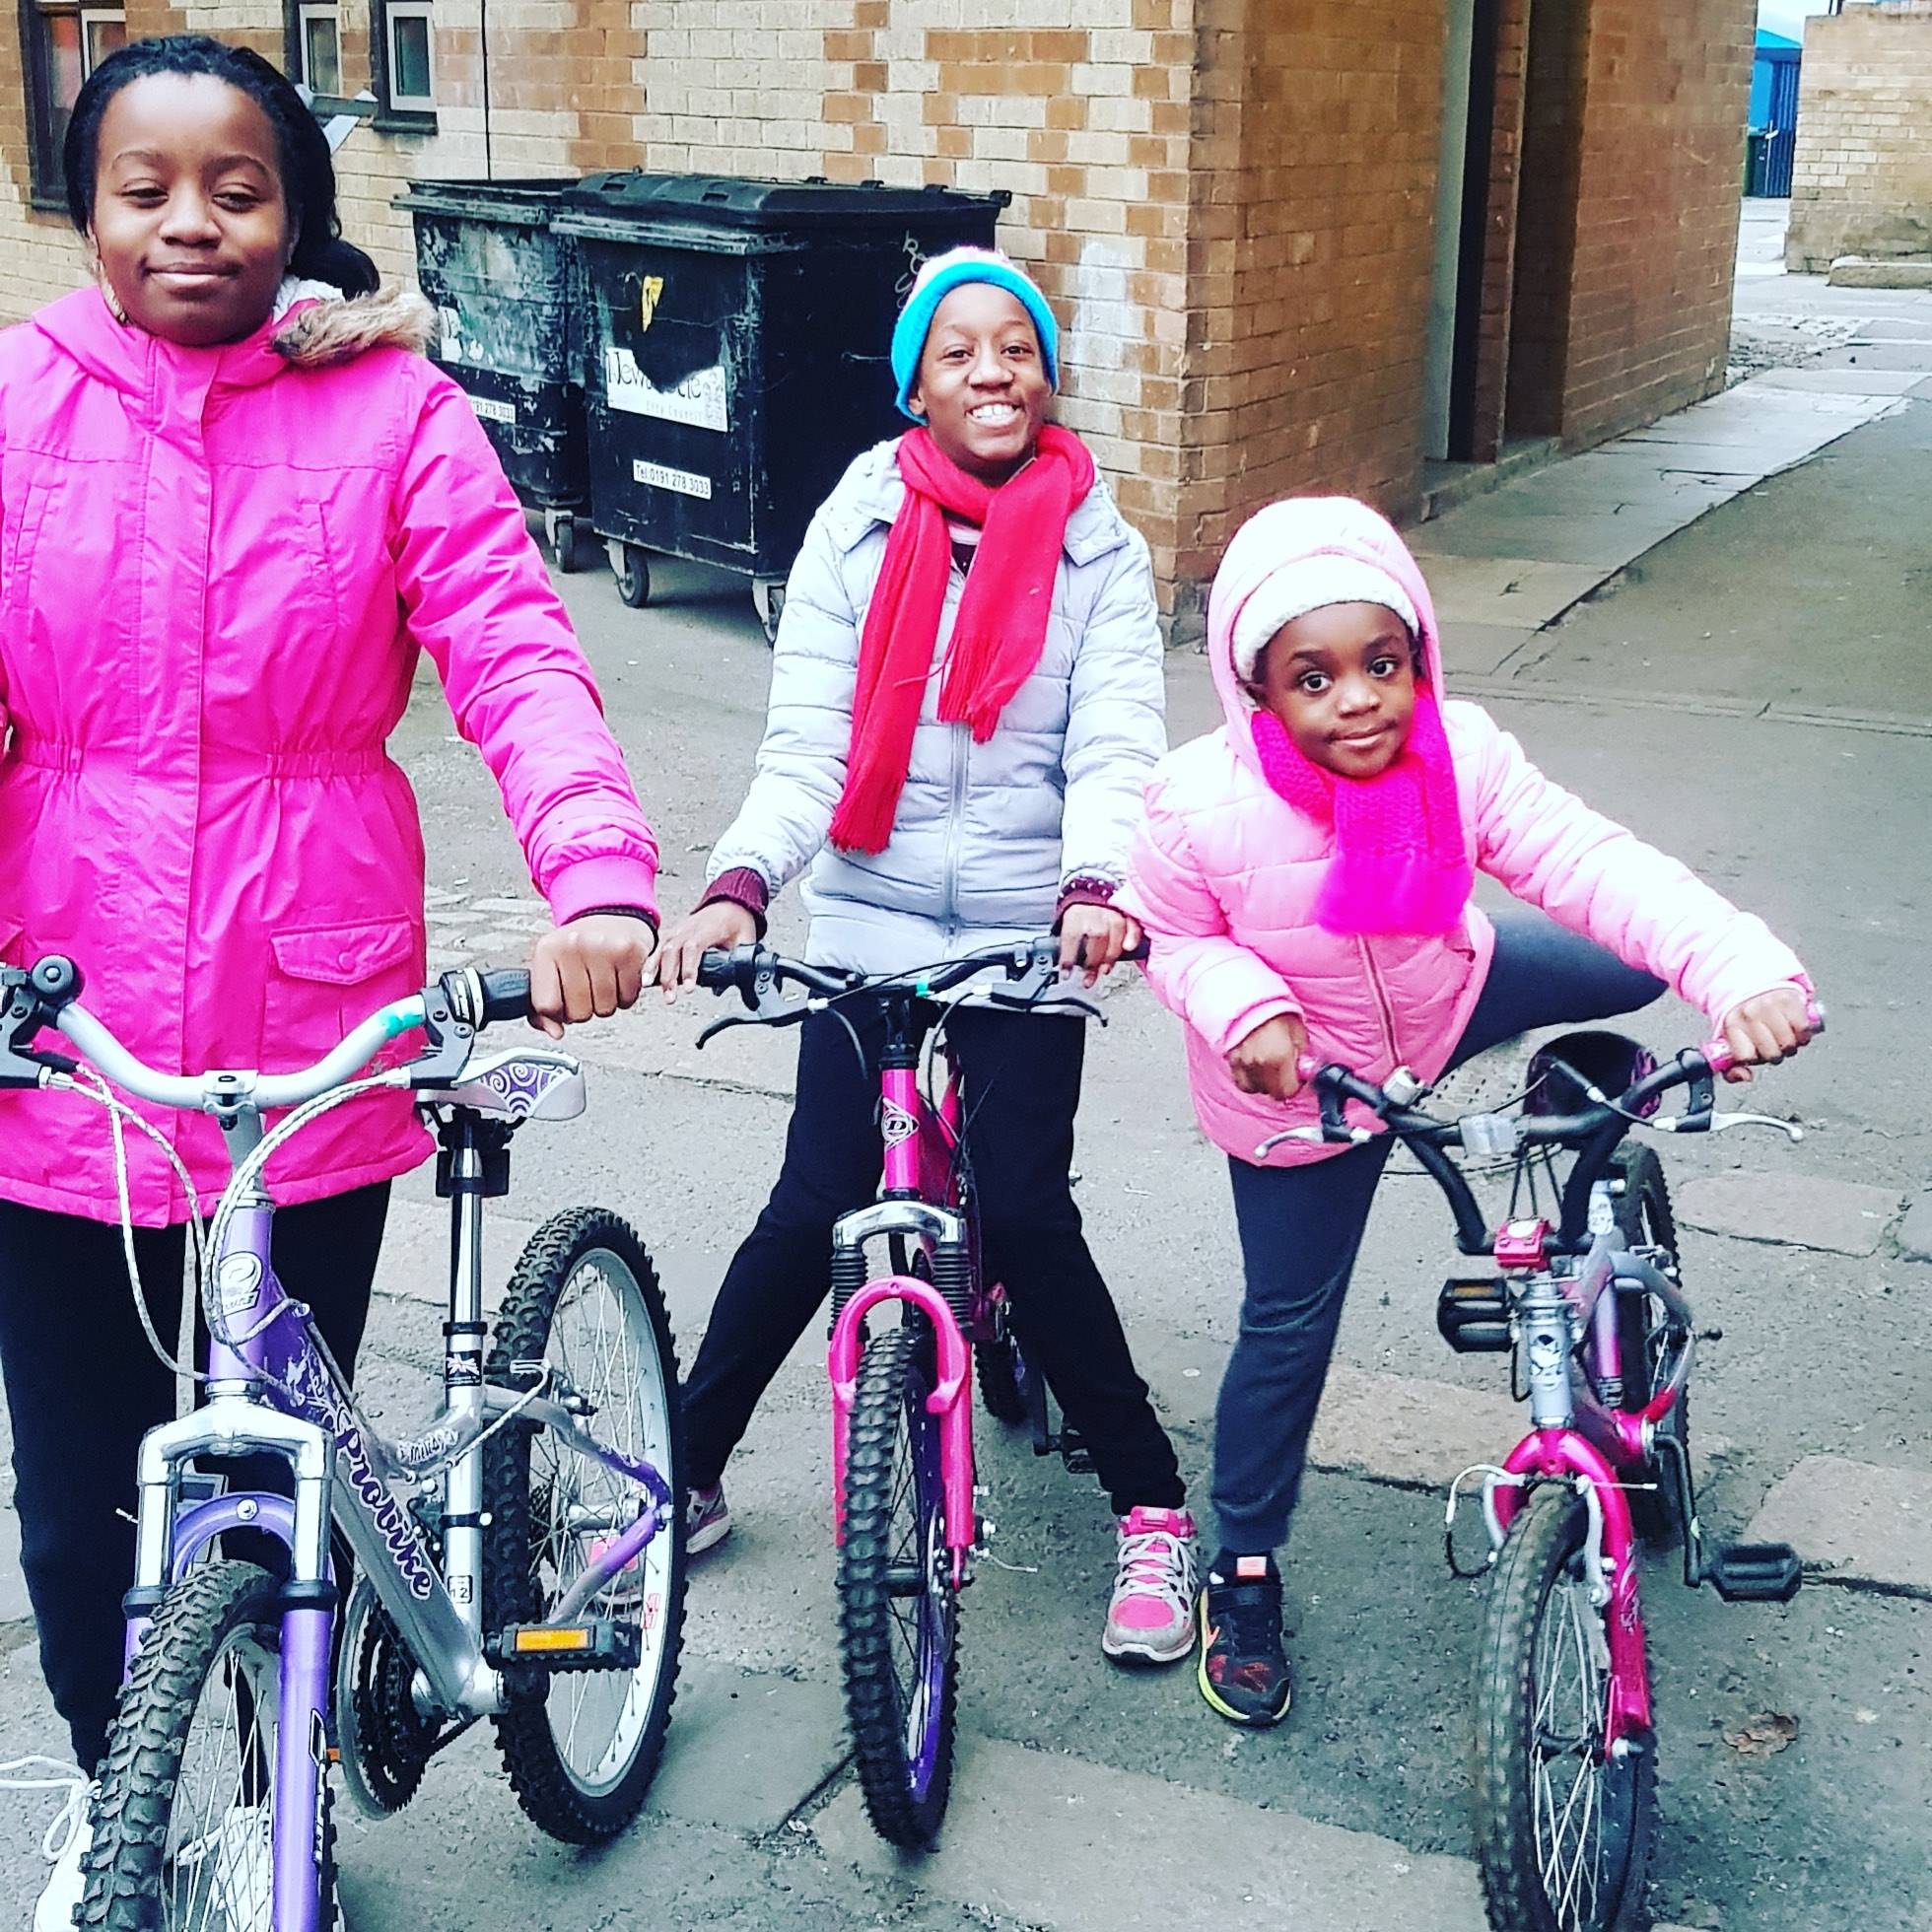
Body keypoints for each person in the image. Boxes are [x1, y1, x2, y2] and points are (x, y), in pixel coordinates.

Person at [0, 36, 658, 1921]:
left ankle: (282, 1799)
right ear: (87, 207)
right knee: (75, 1505)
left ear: (298, 214)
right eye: (145, 186)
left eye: (238, 185)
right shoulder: (18, 405)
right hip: (64, 1030)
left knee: (292, 1448)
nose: (190, 221)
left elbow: (515, 649)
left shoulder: (393, 418)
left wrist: (600, 875)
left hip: (316, 1013)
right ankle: (125, 1799)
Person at [1122, 496, 1816, 1728]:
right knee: (1284, 1323)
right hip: (1307, 1079)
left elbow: (1595, 861)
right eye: (1313, 676)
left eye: (1382, 664)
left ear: (1419, 659)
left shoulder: (1463, 753)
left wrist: (1745, 972)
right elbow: (1172, 937)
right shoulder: (1194, 803)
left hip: (1449, 998)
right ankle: (1242, 1566)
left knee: (1630, 960)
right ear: (1256, 691)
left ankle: (1570, 1109)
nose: (1357, 701)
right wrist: (1245, 1014)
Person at [649, 246, 1198, 1664]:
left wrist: (1098, 885)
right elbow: (809, 747)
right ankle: (686, 1475)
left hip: (1031, 918)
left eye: (1014, 348)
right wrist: (739, 886)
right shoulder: (857, 523)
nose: (991, 373)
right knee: (819, 1198)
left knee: (1019, 1208)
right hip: (880, 912)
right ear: (916, 384)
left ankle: (1151, 1509)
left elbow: (1115, 747)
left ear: (1047, 373)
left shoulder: (1100, 547)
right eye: (957, 353)